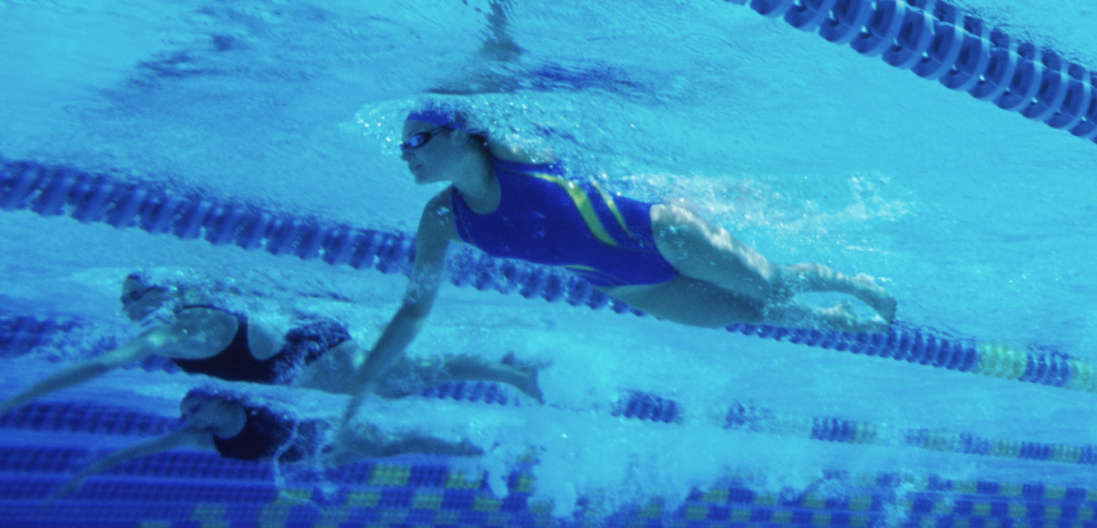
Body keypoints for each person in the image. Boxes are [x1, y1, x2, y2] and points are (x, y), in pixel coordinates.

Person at [350, 109, 896, 417]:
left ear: (457, 133)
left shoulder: (511, 152)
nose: (407, 153)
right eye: (403, 147)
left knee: (772, 287)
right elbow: (414, 311)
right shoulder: (442, 219)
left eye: (416, 140)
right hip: (626, 283)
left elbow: (497, 70)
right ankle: (836, 321)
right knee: (752, 314)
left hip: (660, 231)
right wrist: (364, 381)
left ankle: (850, 282)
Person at [0, 273, 540, 417]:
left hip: (306, 352)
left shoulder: (171, 332)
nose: (129, 309)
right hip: (301, 347)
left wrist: (20, 398)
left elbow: (103, 363)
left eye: (134, 297)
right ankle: (505, 367)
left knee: (397, 383)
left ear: (159, 292)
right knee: (401, 379)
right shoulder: (191, 304)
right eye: (126, 301)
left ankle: (512, 371)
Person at [51, 388, 478, 496]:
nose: (188, 419)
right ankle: (471, 445)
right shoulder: (197, 438)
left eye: (193, 409)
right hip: (314, 460)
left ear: (216, 399)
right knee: (392, 442)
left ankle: (465, 443)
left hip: (322, 437)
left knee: (390, 441)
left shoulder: (250, 398)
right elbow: (136, 450)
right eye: (185, 415)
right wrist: (87, 472)